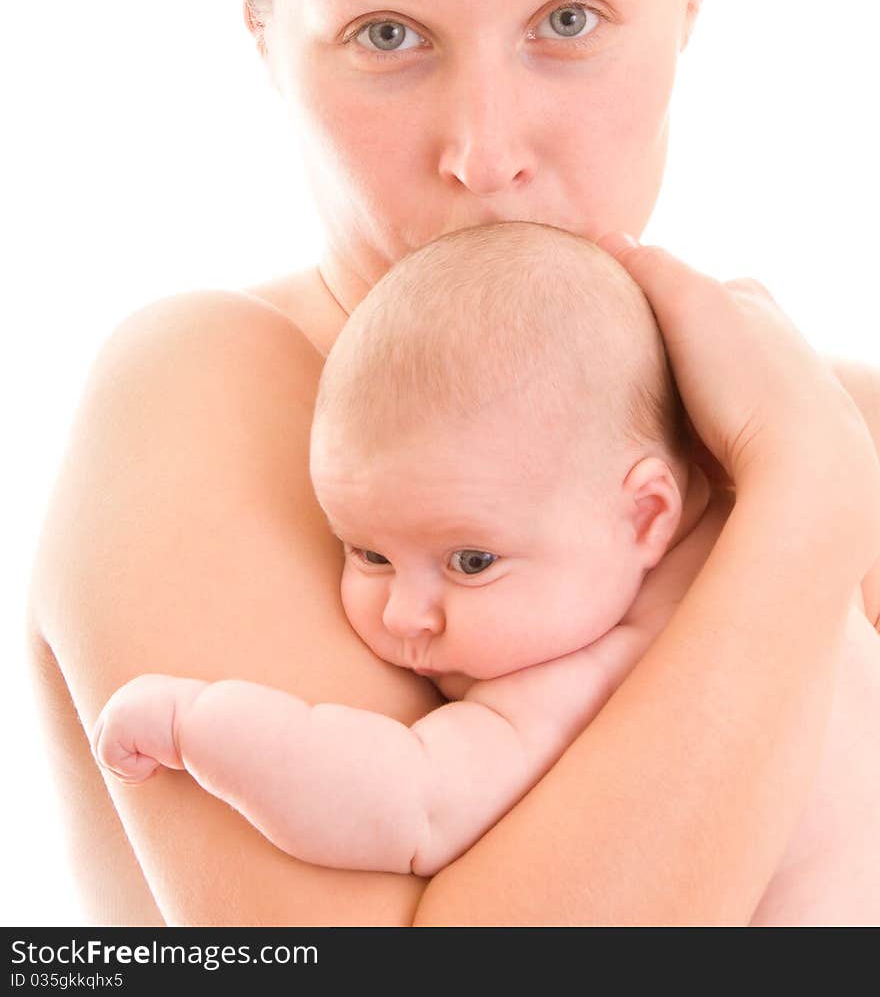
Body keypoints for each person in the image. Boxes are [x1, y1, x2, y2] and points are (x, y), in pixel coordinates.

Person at [26, 0, 880, 926]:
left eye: (570, 21)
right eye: (387, 34)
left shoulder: (843, 411)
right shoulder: (205, 392)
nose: (484, 151)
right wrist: (805, 502)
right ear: (265, 34)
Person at [87, 223, 880, 924]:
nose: (406, 614)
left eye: (471, 562)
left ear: (645, 516)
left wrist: (196, 724)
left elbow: (407, 802)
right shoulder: (791, 511)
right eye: (368, 554)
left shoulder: (582, 674)